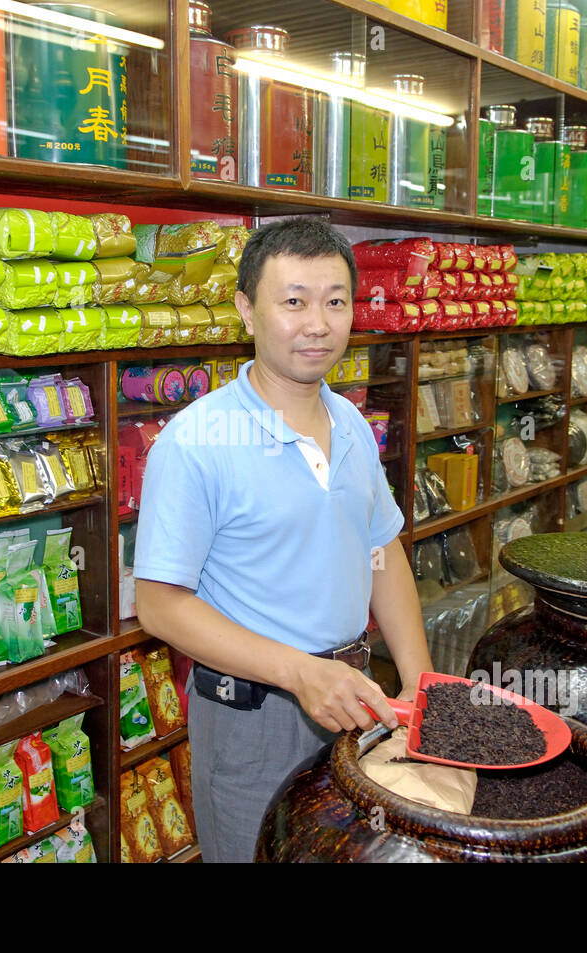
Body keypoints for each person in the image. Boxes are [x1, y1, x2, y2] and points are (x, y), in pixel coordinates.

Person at [133, 218, 433, 863]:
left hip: (358, 699)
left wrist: (419, 683)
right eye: (293, 301)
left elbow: (380, 550)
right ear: (247, 309)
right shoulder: (195, 441)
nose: (317, 324)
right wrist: (299, 674)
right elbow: (159, 604)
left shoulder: (350, 420)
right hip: (255, 715)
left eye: (335, 301)